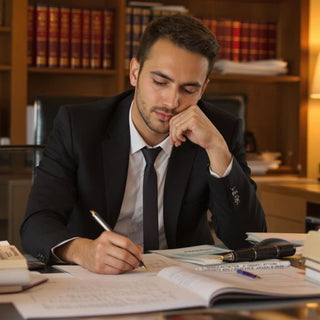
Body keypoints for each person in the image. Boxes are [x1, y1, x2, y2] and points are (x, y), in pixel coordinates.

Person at [20, 14, 266, 275]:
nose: (172, 101)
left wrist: (218, 150)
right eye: (160, 82)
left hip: (184, 284)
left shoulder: (220, 131)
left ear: (203, 89)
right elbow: (37, 222)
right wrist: (84, 251)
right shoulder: (79, 127)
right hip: (97, 280)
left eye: (189, 90)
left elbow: (248, 238)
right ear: (135, 72)